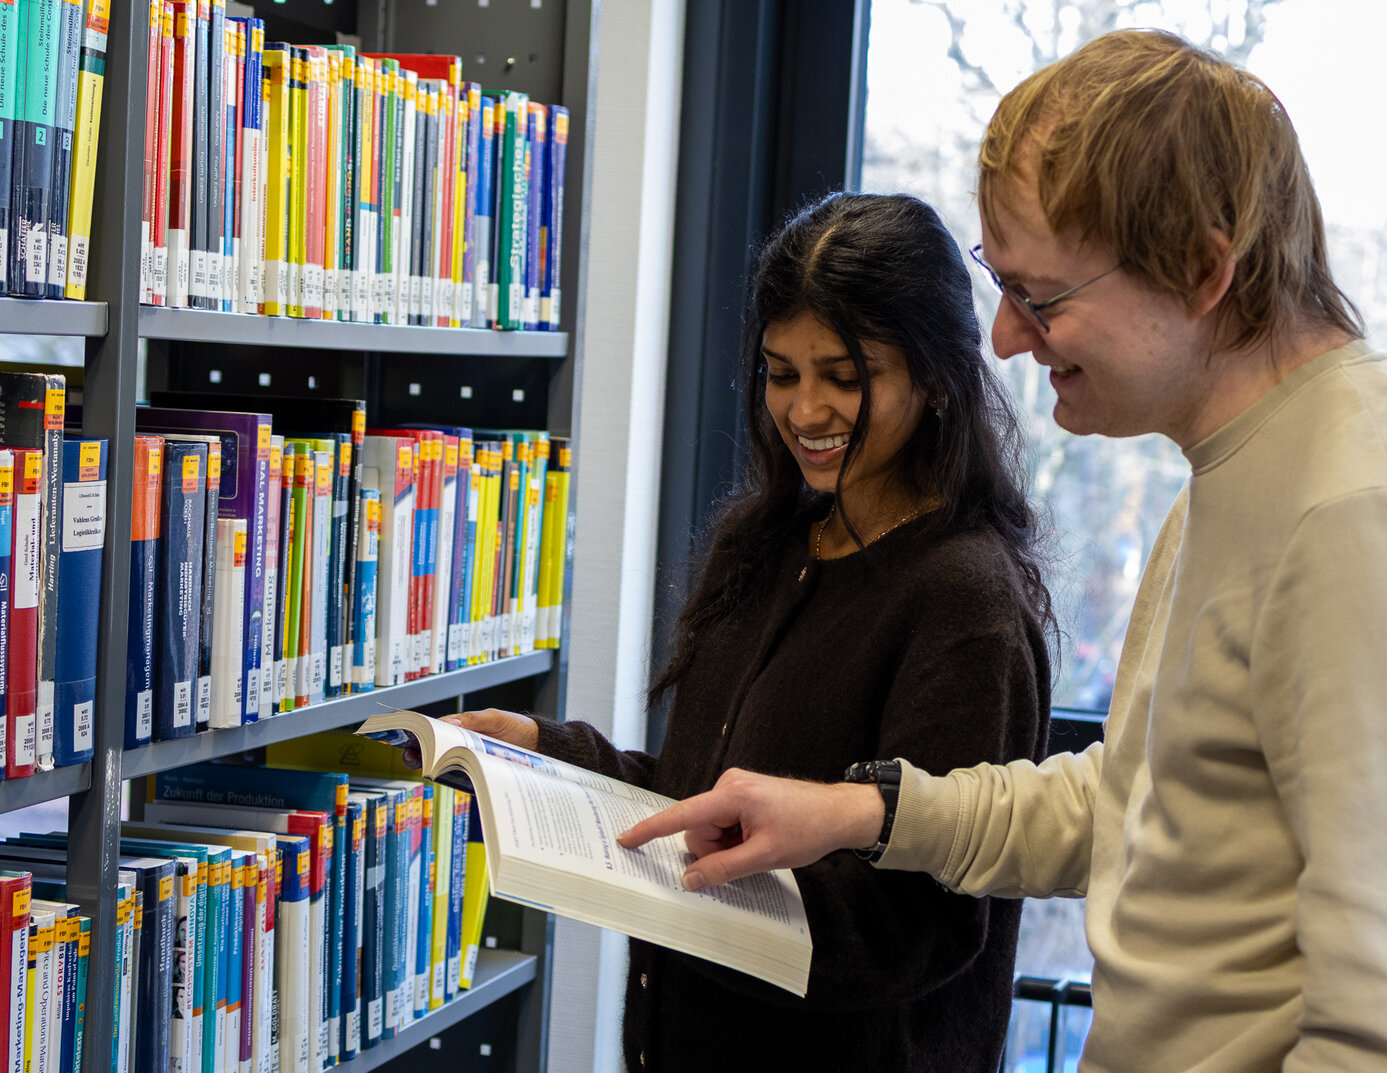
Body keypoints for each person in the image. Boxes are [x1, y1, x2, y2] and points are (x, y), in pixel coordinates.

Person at [622, 29, 1387, 1073]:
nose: (1008, 339)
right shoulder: (1238, 473)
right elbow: (1137, 798)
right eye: (1000, 285)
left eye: (1042, 297)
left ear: (1204, 268)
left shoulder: (1371, 519)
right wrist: (858, 810)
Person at [438, 192, 1054, 1071]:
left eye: (845, 376)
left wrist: (696, 908)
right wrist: (542, 750)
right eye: (780, 372)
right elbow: (703, 798)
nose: (806, 411)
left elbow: (923, 926)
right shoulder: (762, 542)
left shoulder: (963, 600)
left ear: (934, 374)